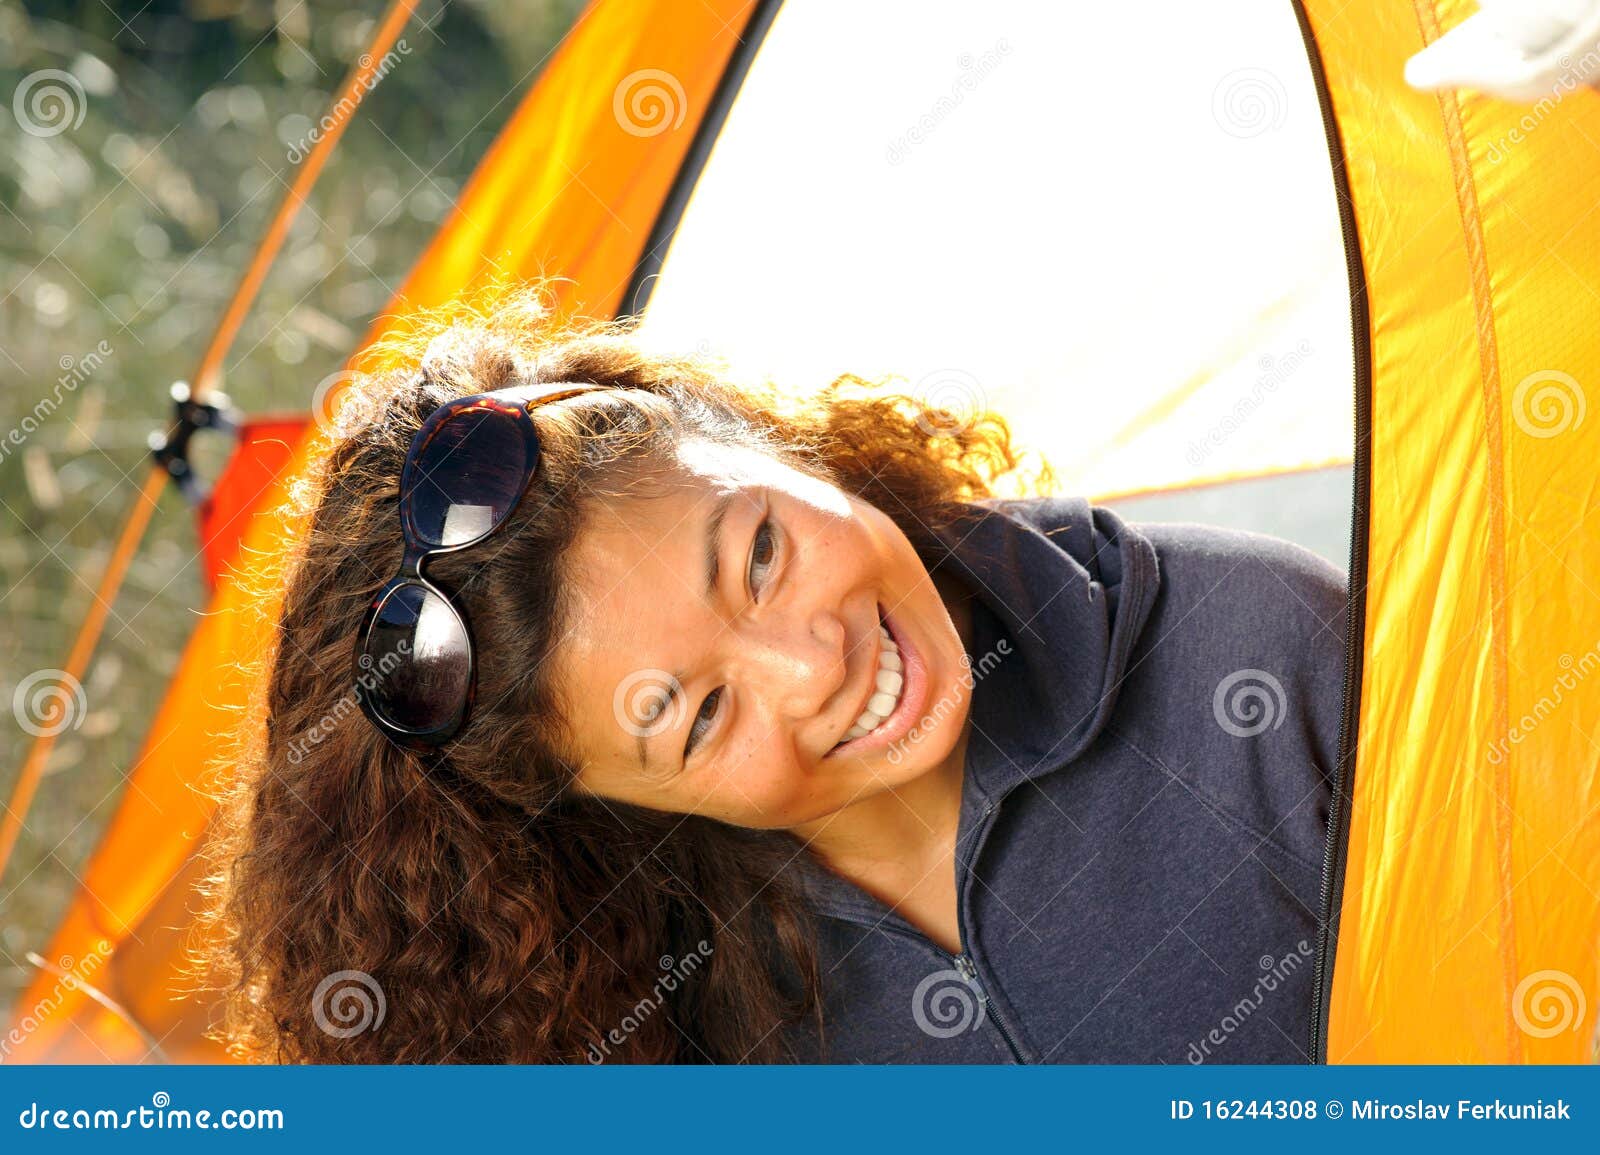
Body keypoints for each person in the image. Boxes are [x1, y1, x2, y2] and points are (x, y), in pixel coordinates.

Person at [200, 285, 1347, 1064]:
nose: (812, 666)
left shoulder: (1260, 649)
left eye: (759, 553)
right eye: (699, 716)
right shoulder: (640, 1010)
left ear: (768, 440)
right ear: (601, 801)